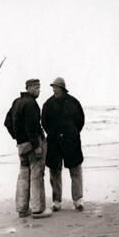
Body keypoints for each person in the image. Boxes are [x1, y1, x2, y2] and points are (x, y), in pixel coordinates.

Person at [8, 79, 52, 218]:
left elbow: (7, 122)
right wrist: (36, 145)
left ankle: (22, 209)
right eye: (37, 88)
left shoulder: (17, 102)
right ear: (30, 88)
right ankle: (38, 209)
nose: (39, 90)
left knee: (23, 176)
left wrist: (17, 137)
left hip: (21, 146)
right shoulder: (31, 103)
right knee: (36, 175)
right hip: (32, 145)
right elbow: (32, 127)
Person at [41, 77, 85, 211]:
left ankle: (78, 200)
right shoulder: (47, 104)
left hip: (71, 140)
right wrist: (53, 133)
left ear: (62, 88)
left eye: (56, 87)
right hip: (54, 141)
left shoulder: (73, 102)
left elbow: (80, 121)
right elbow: (44, 123)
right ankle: (56, 201)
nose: (54, 89)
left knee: (75, 169)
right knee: (54, 171)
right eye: (53, 87)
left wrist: (72, 133)